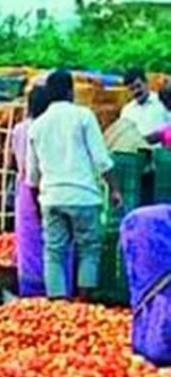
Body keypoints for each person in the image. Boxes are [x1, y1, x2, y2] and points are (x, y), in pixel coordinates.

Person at [26, 69, 123, 300]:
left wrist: (36, 205)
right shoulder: (83, 116)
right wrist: (115, 189)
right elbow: (101, 159)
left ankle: (58, 306)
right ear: (71, 91)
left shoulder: (37, 126)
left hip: (51, 198)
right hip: (83, 196)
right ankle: (83, 303)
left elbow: (32, 175)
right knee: (89, 250)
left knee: (54, 253)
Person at [8, 85, 70, 297]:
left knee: (30, 244)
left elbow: (14, 163)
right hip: (52, 186)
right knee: (57, 241)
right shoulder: (53, 127)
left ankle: (32, 293)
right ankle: (60, 291)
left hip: (26, 190)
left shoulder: (19, 129)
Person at [122, 68, 171, 141]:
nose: (136, 91)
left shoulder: (163, 101)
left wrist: (161, 135)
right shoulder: (126, 111)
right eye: (131, 89)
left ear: (146, 82)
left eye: (138, 86)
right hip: (137, 151)